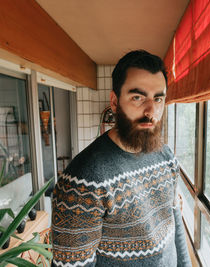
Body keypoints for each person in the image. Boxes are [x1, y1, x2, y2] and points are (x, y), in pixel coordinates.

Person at [51, 50, 191, 267]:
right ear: (114, 102)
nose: (151, 111)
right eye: (138, 97)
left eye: (158, 98)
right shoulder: (82, 180)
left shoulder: (167, 157)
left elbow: (175, 223)